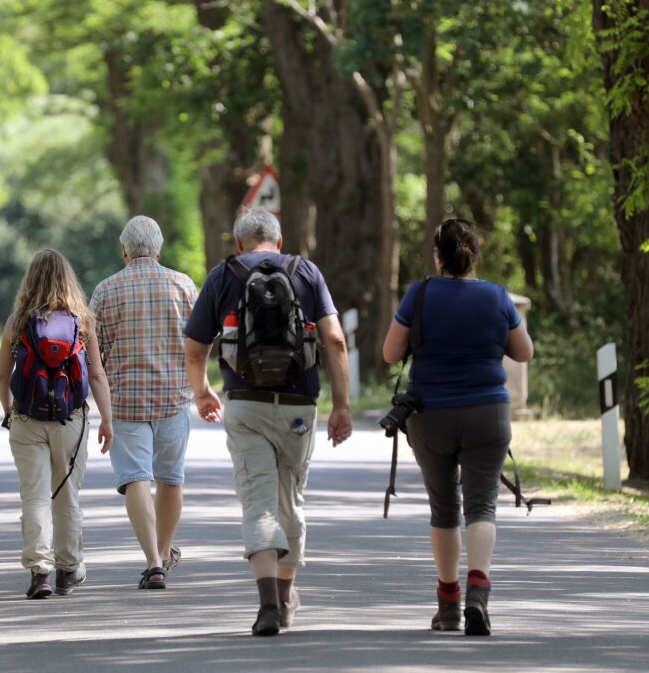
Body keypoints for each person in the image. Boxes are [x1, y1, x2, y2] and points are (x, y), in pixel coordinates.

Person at [183, 207, 352, 636]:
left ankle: (268, 606)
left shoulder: (224, 275)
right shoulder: (306, 271)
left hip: (244, 405)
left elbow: (195, 344)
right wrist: (342, 406)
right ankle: (286, 592)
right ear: (279, 240)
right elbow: (334, 338)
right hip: (298, 406)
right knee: (290, 502)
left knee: (257, 501)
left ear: (239, 243)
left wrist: (203, 391)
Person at [381, 217, 534, 636]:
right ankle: (479, 596)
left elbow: (391, 352)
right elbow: (524, 353)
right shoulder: (497, 297)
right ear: (474, 255)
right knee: (482, 506)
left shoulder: (420, 294)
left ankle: (448, 606)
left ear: (438, 255)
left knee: (444, 509)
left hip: (432, 415)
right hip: (488, 412)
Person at [0, 249, 114, 599]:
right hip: (71, 420)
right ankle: (67, 570)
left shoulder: (18, 320)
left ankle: (39, 573)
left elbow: (2, 375)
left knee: (34, 496)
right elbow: (96, 374)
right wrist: (107, 420)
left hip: (27, 419)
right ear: (68, 278)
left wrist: (10, 410)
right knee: (67, 496)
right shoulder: (82, 319)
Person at [89, 216, 198, 590]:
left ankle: (153, 561)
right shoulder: (183, 285)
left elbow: (94, 351)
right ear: (159, 248)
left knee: (136, 478)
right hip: (174, 397)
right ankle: (163, 555)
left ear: (124, 251)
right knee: (171, 479)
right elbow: (199, 343)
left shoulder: (105, 290)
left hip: (125, 401)